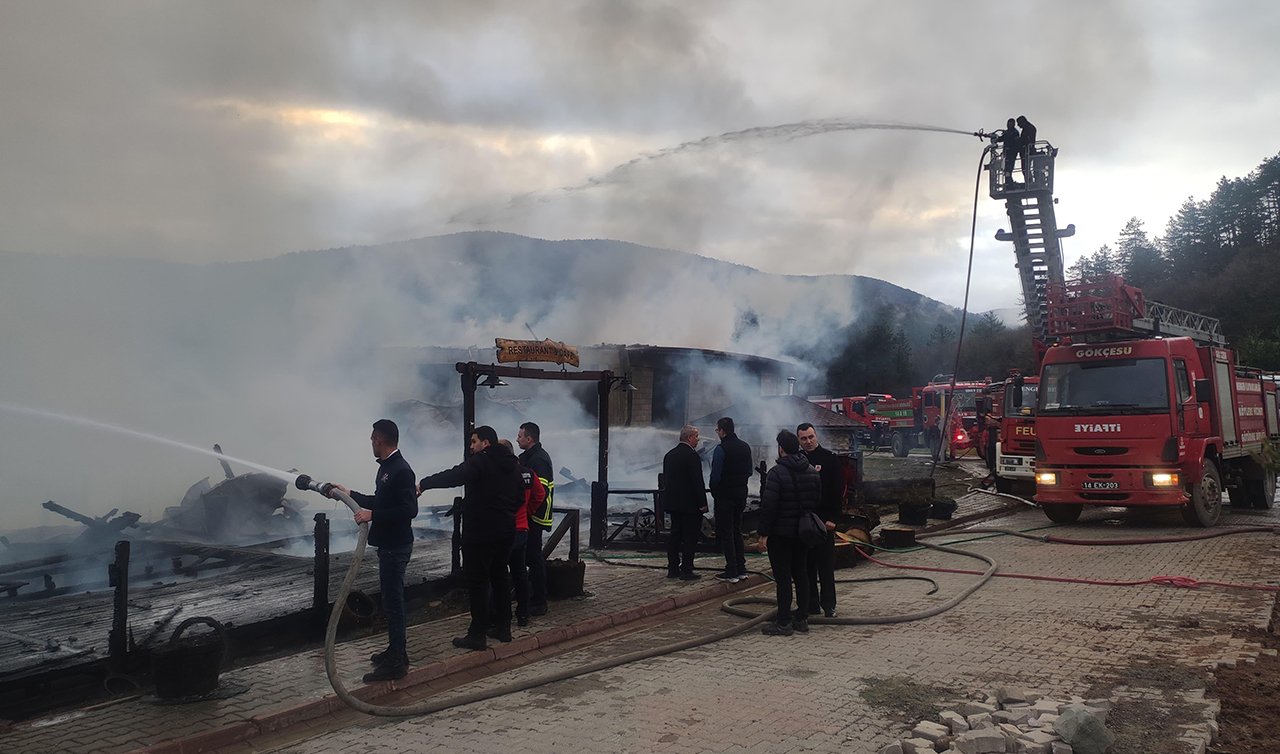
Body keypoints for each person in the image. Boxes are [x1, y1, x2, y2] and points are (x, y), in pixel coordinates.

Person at [417, 425, 523, 651]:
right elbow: (520, 498)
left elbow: (455, 476)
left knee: (478, 582)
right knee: (500, 577)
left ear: (486, 443)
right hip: (505, 531)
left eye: (474, 441)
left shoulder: (481, 461)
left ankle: (477, 634)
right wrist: (503, 513)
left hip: (480, 533)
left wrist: (425, 483)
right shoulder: (513, 465)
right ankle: (504, 628)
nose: (471, 447)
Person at [328, 419, 417, 682]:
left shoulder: (401, 470)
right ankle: (396, 650)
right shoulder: (386, 468)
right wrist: (349, 494)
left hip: (396, 546)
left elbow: (409, 509)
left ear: (379, 439)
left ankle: (396, 663)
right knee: (391, 601)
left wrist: (373, 515)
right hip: (388, 545)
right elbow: (381, 500)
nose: (370, 443)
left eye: (371, 439)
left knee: (394, 603)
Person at [757, 429, 821, 636]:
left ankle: (783, 622)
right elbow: (816, 501)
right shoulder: (812, 471)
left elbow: (769, 506)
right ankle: (801, 618)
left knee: (783, 578)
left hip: (781, 535)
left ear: (781, 449)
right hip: (803, 533)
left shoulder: (776, 473)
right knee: (801, 574)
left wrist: (763, 534)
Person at [797, 423, 850, 618]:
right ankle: (811, 605)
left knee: (825, 566)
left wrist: (834, 519)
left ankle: (829, 605)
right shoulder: (797, 460)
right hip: (804, 523)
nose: (808, 441)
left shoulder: (829, 459)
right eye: (803, 438)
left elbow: (837, 490)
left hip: (825, 522)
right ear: (798, 441)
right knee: (807, 566)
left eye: (810, 437)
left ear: (816, 436)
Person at [493, 439, 544, 629]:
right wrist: (528, 512)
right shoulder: (528, 473)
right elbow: (540, 494)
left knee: (497, 575)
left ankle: (497, 616)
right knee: (520, 573)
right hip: (521, 529)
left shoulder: (499, 474)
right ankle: (523, 613)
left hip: (502, 531)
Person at [709, 417, 753, 583]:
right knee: (737, 531)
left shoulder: (721, 449)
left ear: (722, 431)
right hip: (741, 495)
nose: (717, 433)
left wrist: (715, 491)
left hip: (725, 497)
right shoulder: (745, 447)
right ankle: (742, 569)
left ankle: (731, 571)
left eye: (717, 430)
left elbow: (715, 477)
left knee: (726, 533)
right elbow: (750, 471)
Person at [516, 422, 553, 617]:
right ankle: (531, 597)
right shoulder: (529, 457)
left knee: (534, 558)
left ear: (529, 439)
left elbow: (540, 492)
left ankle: (539, 601)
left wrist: (527, 512)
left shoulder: (538, 460)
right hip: (530, 516)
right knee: (529, 558)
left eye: (520, 436)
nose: (517, 440)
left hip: (536, 517)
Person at [662, 425, 708, 580]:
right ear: (689, 438)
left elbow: (667, 480)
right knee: (690, 537)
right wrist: (702, 503)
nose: (698, 439)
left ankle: (673, 568)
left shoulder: (669, 455)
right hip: (690, 505)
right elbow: (697, 481)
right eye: (696, 436)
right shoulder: (692, 456)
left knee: (675, 535)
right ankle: (687, 569)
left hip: (674, 504)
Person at [993, 117, 1019, 184]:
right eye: (1008, 124)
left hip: (1012, 153)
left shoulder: (1015, 132)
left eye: (1010, 124)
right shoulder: (1008, 132)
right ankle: (1008, 182)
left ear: (1013, 124)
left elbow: (1010, 138)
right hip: (1007, 153)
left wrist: (1006, 134)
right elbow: (1002, 138)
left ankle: (1009, 183)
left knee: (1009, 168)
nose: (1008, 125)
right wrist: (994, 137)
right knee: (1006, 168)